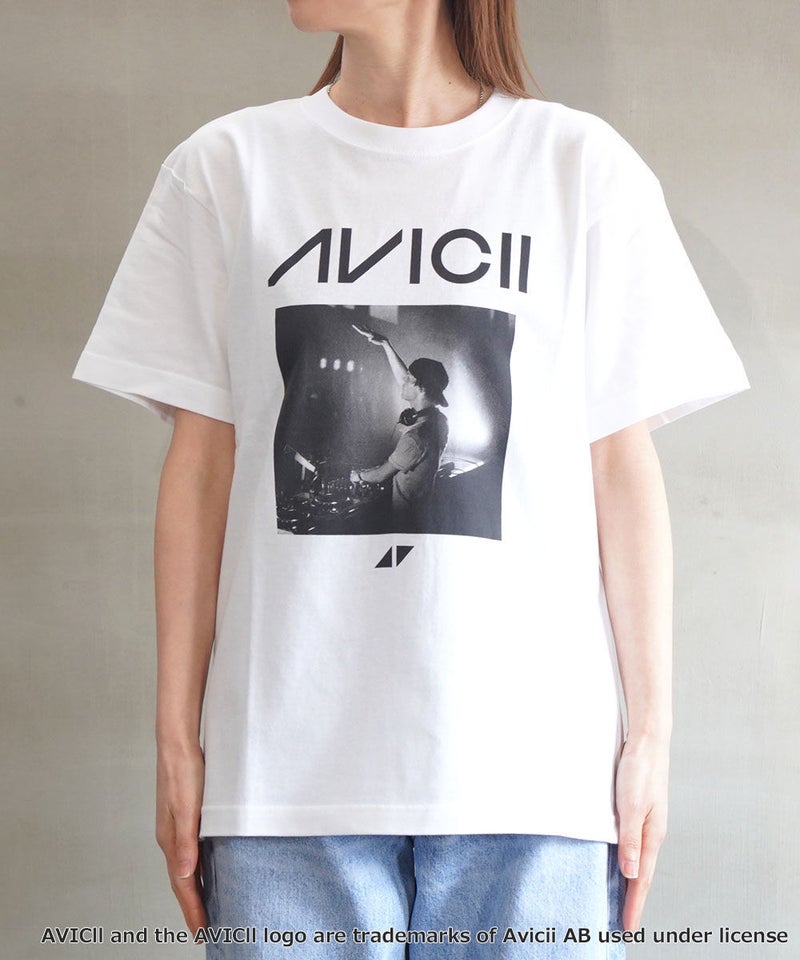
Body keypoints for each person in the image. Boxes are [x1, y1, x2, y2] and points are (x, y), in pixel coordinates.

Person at [71, 0, 750, 956]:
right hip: (283, 781)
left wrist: (652, 740)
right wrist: (177, 743)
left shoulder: (578, 166)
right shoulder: (226, 168)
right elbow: (200, 471)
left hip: (535, 777)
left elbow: (620, 466)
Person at [349, 323, 450, 531]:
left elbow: (380, 475)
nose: (403, 381)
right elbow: (406, 378)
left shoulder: (415, 437)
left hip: (407, 518)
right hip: (422, 511)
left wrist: (358, 475)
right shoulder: (439, 420)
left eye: (408, 379)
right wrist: (386, 344)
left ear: (421, 388)